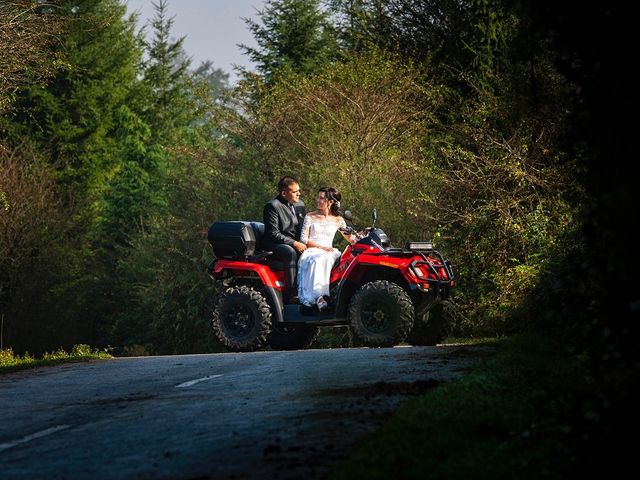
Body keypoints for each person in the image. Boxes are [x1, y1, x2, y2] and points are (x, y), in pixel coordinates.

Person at [297, 187, 354, 309]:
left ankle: (337, 295)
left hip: (329, 251)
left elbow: (350, 238)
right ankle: (319, 297)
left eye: (321, 198)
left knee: (338, 259)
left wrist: (364, 234)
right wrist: (321, 247)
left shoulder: (338, 219)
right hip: (313, 250)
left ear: (330, 202)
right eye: (318, 197)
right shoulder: (310, 216)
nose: (318, 200)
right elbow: (304, 240)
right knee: (318, 259)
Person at [262, 176, 307, 302]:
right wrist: (294, 243)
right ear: (283, 193)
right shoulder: (272, 206)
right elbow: (273, 233)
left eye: (299, 190)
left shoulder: (300, 205)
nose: (299, 194)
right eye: (294, 192)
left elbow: (303, 227)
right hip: (275, 243)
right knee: (290, 252)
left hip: (294, 241)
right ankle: (292, 293)